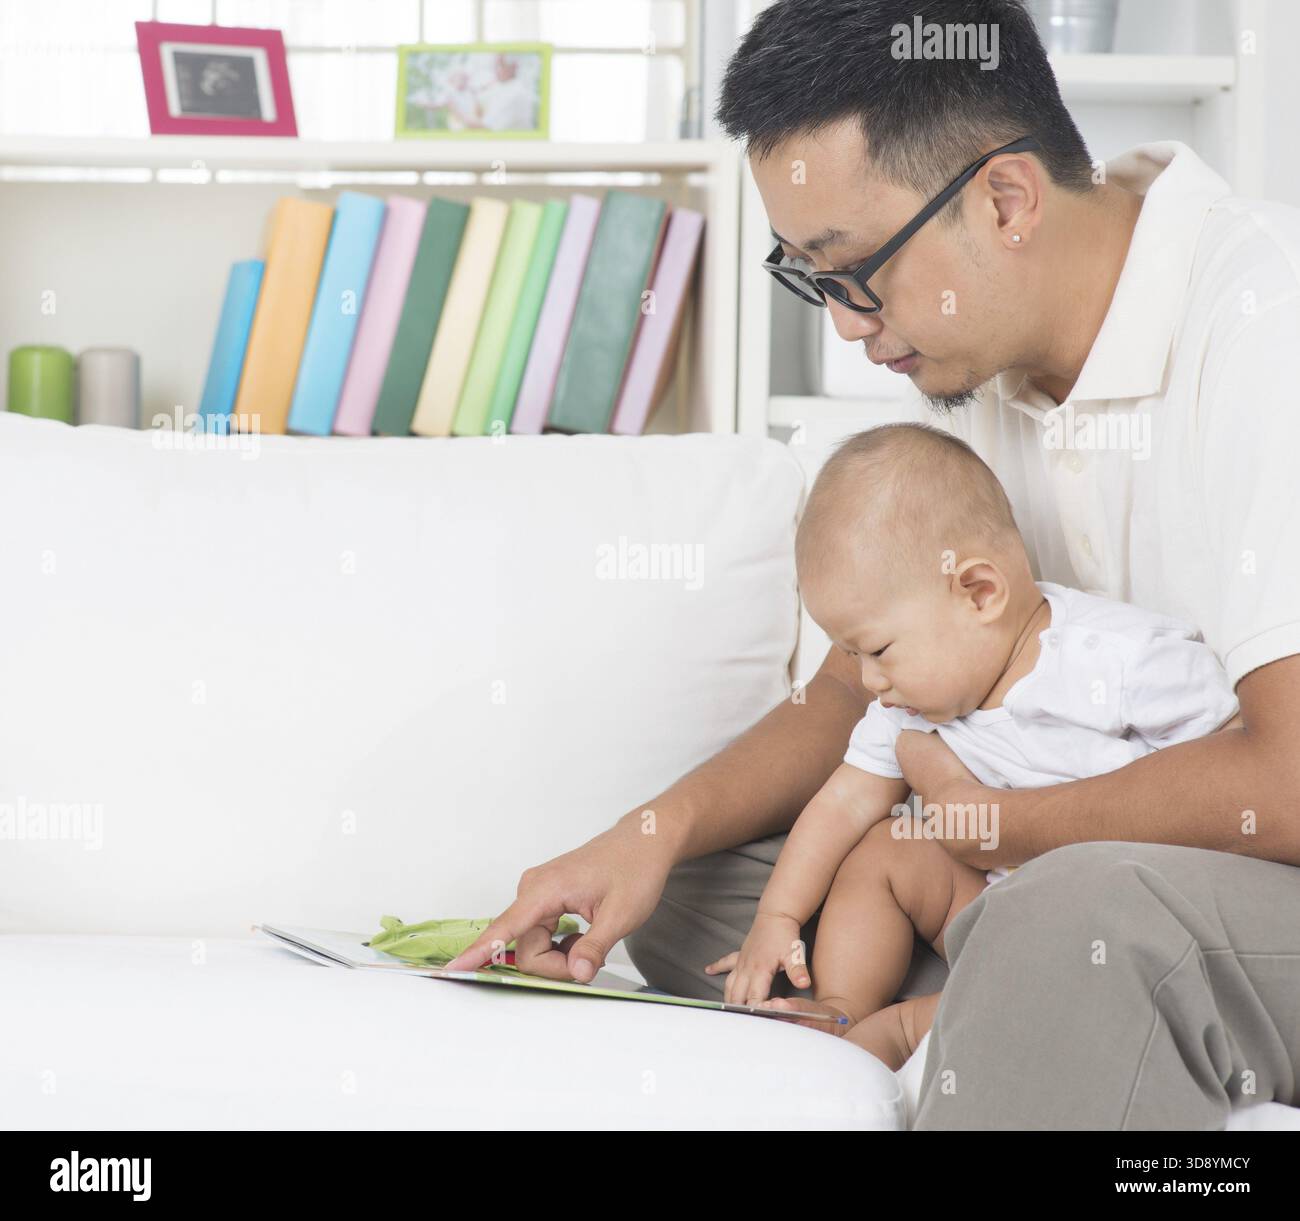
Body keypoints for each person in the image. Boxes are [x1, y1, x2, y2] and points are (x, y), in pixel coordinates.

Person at [447, 0, 1300, 1129]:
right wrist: (641, 839)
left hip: (1229, 872)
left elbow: (1287, 782)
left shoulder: (1262, 324)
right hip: (1039, 859)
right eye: (808, 276)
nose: (850, 327)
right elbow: (854, 690)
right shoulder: (970, 363)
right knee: (709, 892)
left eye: (857, 269)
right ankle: (1006, 1014)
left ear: (1005, 200)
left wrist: (992, 832)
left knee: (1063, 916)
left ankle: (1025, 991)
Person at [705, 423, 1239, 1072]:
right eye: (850, 654)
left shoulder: (1126, 662)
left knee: (1067, 964)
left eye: (876, 650)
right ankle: (840, 1006)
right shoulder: (906, 705)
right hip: (988, 905)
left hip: (1103, 925)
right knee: (882, 847)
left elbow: (1228, 768)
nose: (869, 680)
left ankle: (905, 1030)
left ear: (979, 594)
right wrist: (777, 916)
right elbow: (842, 802)